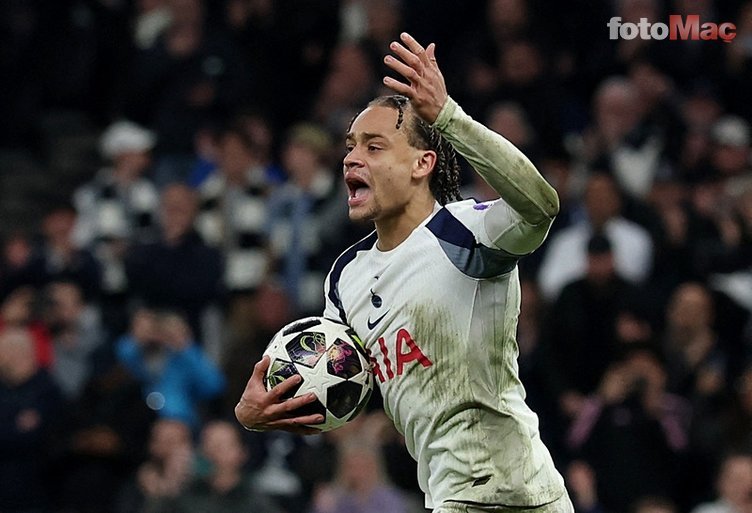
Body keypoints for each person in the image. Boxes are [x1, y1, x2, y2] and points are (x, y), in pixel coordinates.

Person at [235, 32, 572, 513]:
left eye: (374, 147)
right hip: (455, 493)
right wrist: (261, 408)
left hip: (503, 489)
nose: (351, 158)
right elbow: (332, 384)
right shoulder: (346, 277)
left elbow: (541, 205)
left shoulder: (466, 231)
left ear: (422, 163)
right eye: (351, 147)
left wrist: (448, 116)